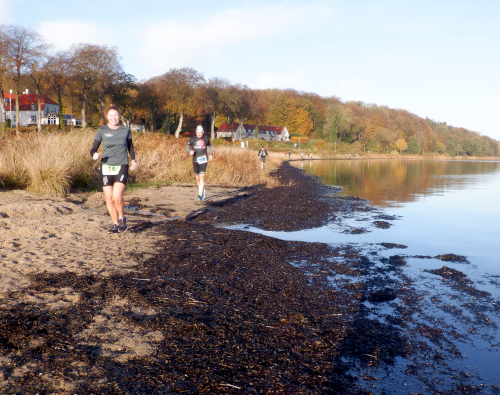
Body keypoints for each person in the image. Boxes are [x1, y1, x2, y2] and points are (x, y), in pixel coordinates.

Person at [90, 104, 138, 233]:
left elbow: (130, 147)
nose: (114, 118)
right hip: (106, 166)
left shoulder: (125, 130)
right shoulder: (102, 130)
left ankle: (122, 219)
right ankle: (115, 223)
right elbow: (93, 149)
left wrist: (134, 160)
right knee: (109, 198)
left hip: (121, 165)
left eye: (116, 115)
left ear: (119, 116)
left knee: (117, 196)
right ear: (107, 117)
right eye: (111, 116)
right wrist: (94, 155)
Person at [186, 125, 213, 201]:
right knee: (197, 178)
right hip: (195, 160)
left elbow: (210, 146)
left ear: (203, 132)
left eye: (200, 132)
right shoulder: (192, 139)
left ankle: (200, 194)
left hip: (203, 160)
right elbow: (187, 148)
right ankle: (202, 190)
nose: (199, 134)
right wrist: (190, 151)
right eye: (197, 132)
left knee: (202, 176)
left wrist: (211, 154)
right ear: (196, 132)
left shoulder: (206, 139)